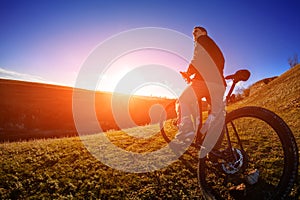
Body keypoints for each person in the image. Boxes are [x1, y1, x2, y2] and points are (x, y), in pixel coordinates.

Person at [175, 26, 226, 141]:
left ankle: (186, 130)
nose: (194, 33)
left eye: (196, 31)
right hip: (219, 85)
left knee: (182, 100)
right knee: (215, 116)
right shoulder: (214, 47)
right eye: (193, 32)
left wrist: (188, 72)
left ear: (204, 32)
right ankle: (212, 146)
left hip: (204, 83)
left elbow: (197, 58)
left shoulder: (202, 40)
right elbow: (215, 63)